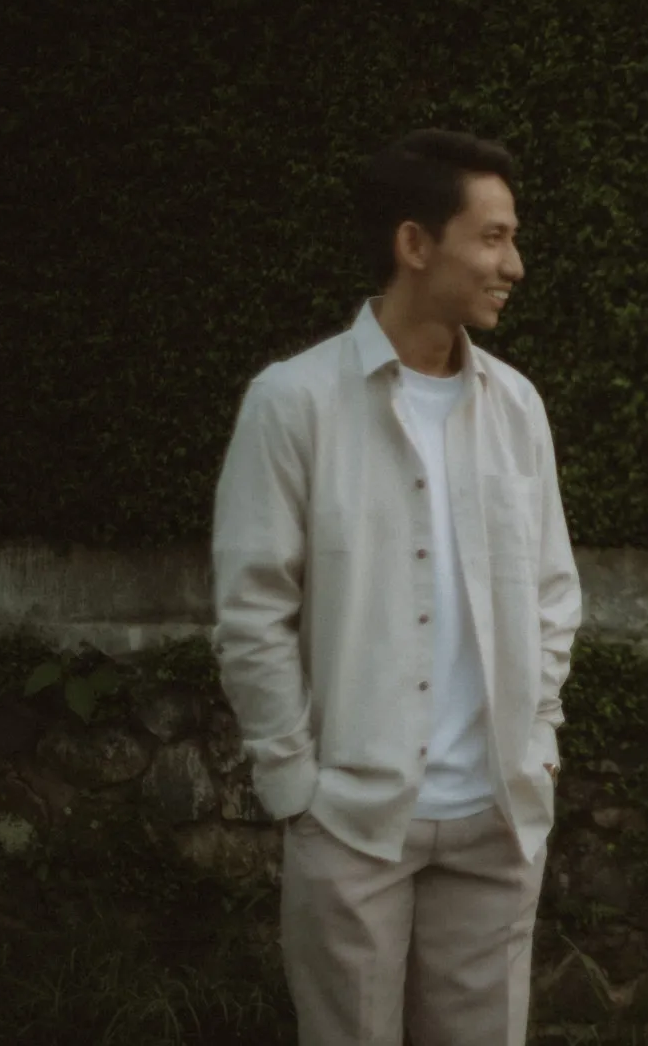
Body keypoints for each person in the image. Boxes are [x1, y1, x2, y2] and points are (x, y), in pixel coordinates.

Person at [212, 129, 583, 1046]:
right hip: (352, 821)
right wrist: (296, 783)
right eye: (492, 238)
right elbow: (253, 611)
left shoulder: (517, 407)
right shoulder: (292, 403)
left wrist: (537, 741)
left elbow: (552, 593)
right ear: (415, 243)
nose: (514, 265)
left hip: (497, 818)